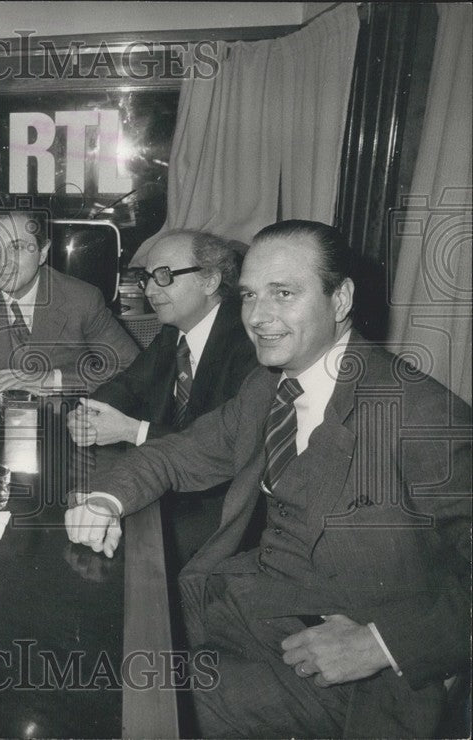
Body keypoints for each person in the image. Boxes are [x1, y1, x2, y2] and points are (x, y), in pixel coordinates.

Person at [65, 220, 471, 737]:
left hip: (347, 677)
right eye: (250, 295)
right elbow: (177, 454)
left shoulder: (422, 415)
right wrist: (105, 497)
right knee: (88, 640)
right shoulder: (269, 387)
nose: (258, 317)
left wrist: (379, 643)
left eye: (284, 294)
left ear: (341, 298)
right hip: (242, 602)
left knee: (127, 708)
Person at [67, 230, 258, 564]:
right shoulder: (174, 332)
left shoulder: (248, 344)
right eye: (147, 278)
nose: (151, 290)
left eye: (164, 277)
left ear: (210, 280)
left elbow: (219, 444)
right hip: (162, 479)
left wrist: (131, 430)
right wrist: (88, 413)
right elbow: (128, 385)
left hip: (219, 504)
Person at [0, 209, 140, 395]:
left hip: (59, 425)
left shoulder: (81, 298)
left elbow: (131, 366)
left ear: (42, 252)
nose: (3, 263)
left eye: (17, 247)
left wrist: (51, 379)